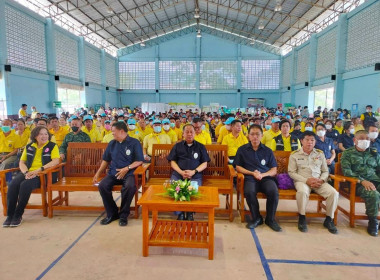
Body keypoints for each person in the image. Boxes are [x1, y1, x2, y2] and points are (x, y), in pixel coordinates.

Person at [2, 126, 60, 227]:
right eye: (41, 134)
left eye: (46, 134)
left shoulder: (52, 146)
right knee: (13, 185)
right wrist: (26, 173)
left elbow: (55, 161)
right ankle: (10, 215)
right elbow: (22, 162)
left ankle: (18, 215)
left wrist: (39, 170)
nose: (44, 136)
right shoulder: (29, 146)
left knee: (25, 185)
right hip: (27, 172)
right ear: (35, 136)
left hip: (43, 174)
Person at [93, 121, 143, 226]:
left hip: (129, 173)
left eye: (113, 131)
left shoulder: (134, 142)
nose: (112, 133)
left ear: (121, 131)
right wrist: (97, 174)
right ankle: (112, 213)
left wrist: (127, 168)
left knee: (129, 187)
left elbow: (139, 160)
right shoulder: (112, 143)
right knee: (102, 185)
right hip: (113, 173)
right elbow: (105, 160)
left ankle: (124, 215)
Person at [288, 131, 338, 234]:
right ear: (301, 141)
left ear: (315, 142)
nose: (309, 142)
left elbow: (325, 171)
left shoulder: (320, 154)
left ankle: (329, 219)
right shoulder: (294, 155)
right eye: (307, 140)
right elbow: (291, 173)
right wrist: (307, 180)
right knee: (302, 192)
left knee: (334, 193)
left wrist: (322, 180)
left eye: (312, 140)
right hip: (302, 181)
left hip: (318, 181)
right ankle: (302, 218)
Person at [235, 124, 282, 232]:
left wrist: (262, 175)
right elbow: (238, 167)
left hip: (265, 178)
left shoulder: (268, 151)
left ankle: (270, 219)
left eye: (257, 134)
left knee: (273, 191)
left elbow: (274, 170)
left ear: (262, 136)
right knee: (249, 191)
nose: (255, 137)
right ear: (248, 136)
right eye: (252, 134)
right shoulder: (242, 150)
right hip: (250, 177)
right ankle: (256, 218)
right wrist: (252, 173)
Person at [341, 130, 380, 236]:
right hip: (358, 183)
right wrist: (362, 181)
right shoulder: (348, 153)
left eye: (367, 139)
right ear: (355, 140)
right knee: (374, 194)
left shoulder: (374, 153)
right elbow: (347, 171)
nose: (365, 141)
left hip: (375, 180)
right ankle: (373, 221)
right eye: (362, 139)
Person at [167, 124, 210, 221]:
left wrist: (193, 172)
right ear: (183, 134)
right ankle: (180, 213)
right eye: (187, 132)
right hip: (178, 173)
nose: (189, 134)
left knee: (193, 189)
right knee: (175, 188)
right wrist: (181, 172)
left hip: (195, 175)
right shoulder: (177, 146)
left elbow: (205, 163)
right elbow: (172, 162)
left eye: (191, 132)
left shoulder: (200, 147)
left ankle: (190, 212)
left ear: (195, 134)